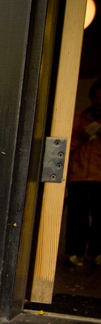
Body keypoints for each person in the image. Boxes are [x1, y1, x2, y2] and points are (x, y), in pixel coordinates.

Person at [65, 78, 101, 267]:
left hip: (99, 176)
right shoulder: (78, 119)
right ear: (90, 98)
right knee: (77, 216)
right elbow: (64, 146)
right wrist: (82, 136)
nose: (99, 102)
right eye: (96, 98)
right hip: (79, 175)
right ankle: (74, 253)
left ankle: (97, 253)